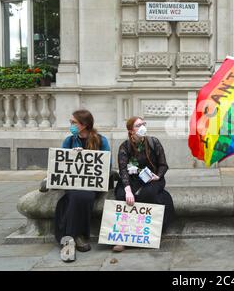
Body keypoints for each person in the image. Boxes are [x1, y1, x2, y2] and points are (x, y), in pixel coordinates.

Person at [52, 109, 111, 262]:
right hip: (73, 183)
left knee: (82, 196)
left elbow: (107, 165)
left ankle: (69, 237)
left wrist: (86, 154)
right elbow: (62, 163)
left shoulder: (101, 140)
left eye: (74, 122)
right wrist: (72, 155)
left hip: (92, 185)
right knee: (75, 195)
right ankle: (78, 237)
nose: (71, 125)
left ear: (84, 124)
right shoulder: (69, 141)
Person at [113, 116, 175, 252]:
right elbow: (123, 169)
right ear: (131, 131)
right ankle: (123, 238)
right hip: (132, 180)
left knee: (148, 194)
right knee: (122, 196)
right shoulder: (125, 146)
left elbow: (163, 165)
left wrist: (157, 175)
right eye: (138, 125)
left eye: (143, 124)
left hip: (152, 179)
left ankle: (147, 235)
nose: (142, 127)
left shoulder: (154, 142)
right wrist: (128, 190)